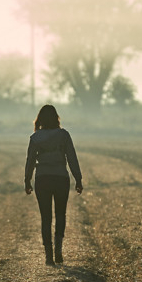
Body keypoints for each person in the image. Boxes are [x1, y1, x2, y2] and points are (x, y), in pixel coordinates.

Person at [24, 104, 84, 265]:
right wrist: (78, 179)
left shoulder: (35, 138)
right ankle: (58, 249)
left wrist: (27, 180)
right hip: (60, 178)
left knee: (45, 217)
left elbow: (30, 161)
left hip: (42, 179)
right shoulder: (63, 135)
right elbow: (72, 158)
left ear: (40, 119)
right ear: (56, 118)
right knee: (60, 214)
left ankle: (48, 255)